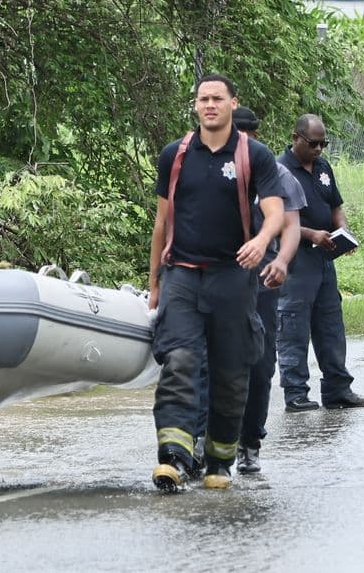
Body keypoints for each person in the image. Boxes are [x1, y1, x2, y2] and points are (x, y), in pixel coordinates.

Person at [148, 75, 284, 491]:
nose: (210, 105)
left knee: (230, 372)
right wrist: (154, 282)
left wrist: (262, 240)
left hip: (232, 278)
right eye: (203, 99)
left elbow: (276, 211)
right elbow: (160, 223)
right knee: (180, 362)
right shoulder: (176, 155)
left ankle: (219, 462)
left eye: (217, 99)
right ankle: (173, 456)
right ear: (195, 106)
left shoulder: (253, 155)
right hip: (183, 276)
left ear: (231, 104)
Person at [275, 114, 364, 412]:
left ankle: (337, 389)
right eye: (313, 143)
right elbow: (275, 218)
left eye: (323, 144)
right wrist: (311, 234)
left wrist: (342, 230)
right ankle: (295, 393)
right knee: (293, 326)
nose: (319, 149)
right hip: (295, 258)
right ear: (295, 138)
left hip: (324, 259)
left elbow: (335, 205)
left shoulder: (322, 167)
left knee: (331, 324)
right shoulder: (279, 170)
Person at [231, 108, 306, 474]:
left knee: (259, 364)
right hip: (215, 277)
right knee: (208, 360)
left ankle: (250, 442)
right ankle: (201, 439)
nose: (243, 142)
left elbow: (291, 225)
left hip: (262, 278)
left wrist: (283, 261)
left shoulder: (276, 174)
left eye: (249, 136)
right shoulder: (206, 168)